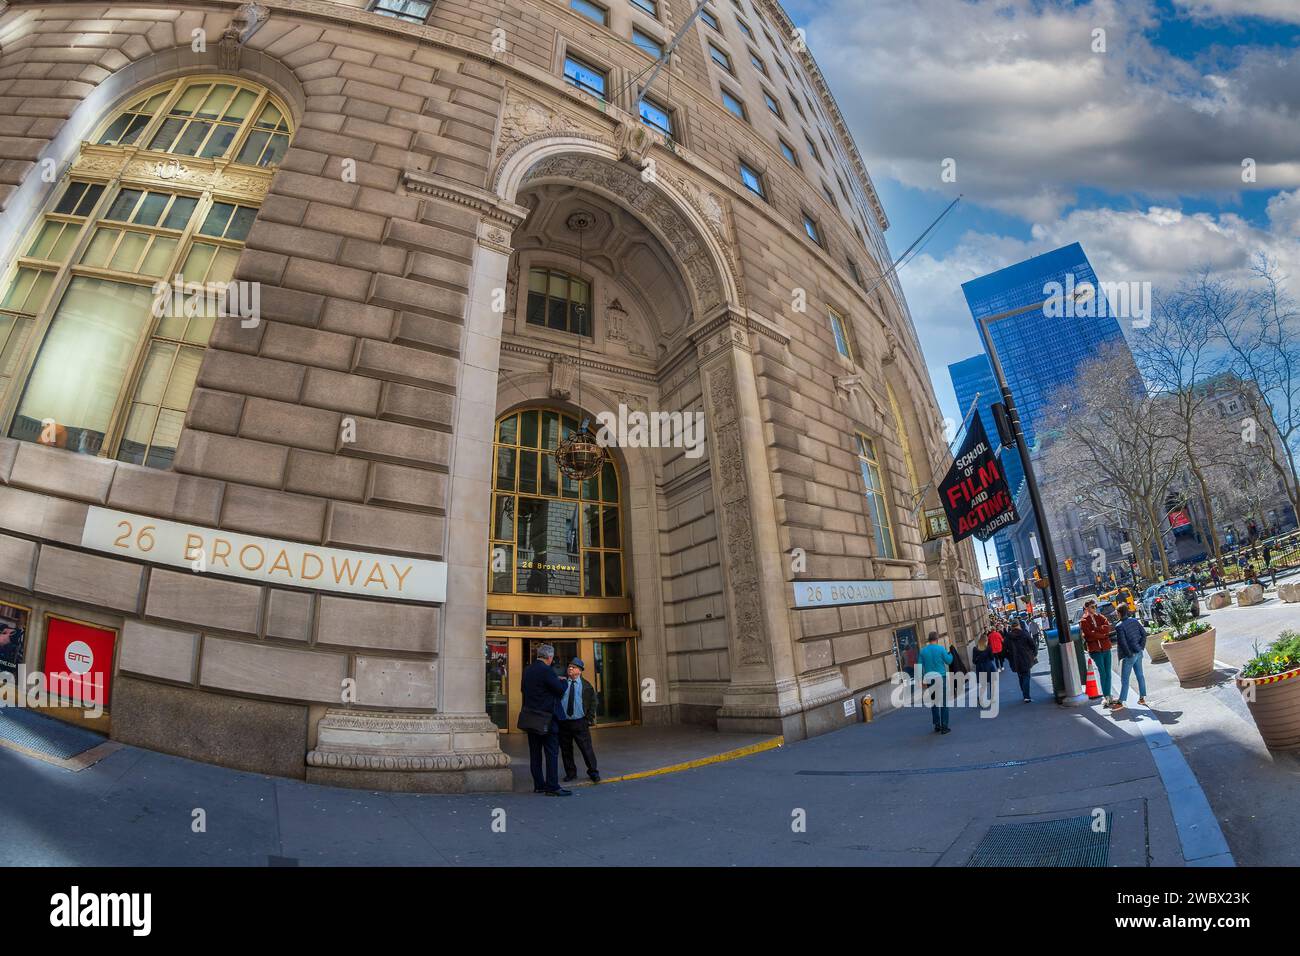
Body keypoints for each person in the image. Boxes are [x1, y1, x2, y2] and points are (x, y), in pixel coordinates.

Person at [519, 644, 572, 796]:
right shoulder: (546, 670)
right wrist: (562, 680)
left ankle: (539, 785)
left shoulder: (528, 670)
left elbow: (524, 689)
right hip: (547, 718)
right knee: (551, 752)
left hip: (531, 718)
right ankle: (552, 787)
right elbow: (560, 689)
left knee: (535, 754)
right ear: (549, 657)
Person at [558, 657, 600, 784]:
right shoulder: (562, 683)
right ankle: (571, 773)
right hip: (564, 722)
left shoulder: (586, 686)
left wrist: (588, 719)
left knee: (586, 748)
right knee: (566, 750)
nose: (570, 668)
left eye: (574, 667)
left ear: (580, 671)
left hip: (580, 722)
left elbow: (593, 703)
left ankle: (593, 772)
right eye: (569, 666)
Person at [1080, 598, 1115, 707]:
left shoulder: (1101, 617)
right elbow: (1089, 635)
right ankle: (1106, 696)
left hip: (1105, 648)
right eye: (1092, 607)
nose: (1095, 608)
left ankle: (1108, 695)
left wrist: (1097, 630)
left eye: (1095, 606)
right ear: (1087, 608)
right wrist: (1102, 635)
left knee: (1108, 673)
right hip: (1095, 650)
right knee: (1102, 672)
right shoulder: (1083, 621)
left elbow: (1107, 628)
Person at [1112, 605, 1148, 711]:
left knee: (1125, 679)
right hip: (1138, 652)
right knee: (1140, 675)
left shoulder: (1119, 626)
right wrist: (1141, 647)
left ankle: (1120, 702)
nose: (1115, 614)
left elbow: (1123, 643)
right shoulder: (1134, 621)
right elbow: (1144, 634)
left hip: (1129, 656)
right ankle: (1142, 698)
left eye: (1116, 612)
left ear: (1119, 613)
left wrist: (1128, 654)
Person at [917, 631, 953, 734]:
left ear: (929, 639)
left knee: (934, 702)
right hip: (941, 677)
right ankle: (944, 726)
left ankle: (937, 725)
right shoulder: (941, 649)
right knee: (944, 702)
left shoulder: (923, 651)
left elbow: (918, 666)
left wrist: (920, 680)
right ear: (937, 639)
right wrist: (951, 654)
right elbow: (949, 661)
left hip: (929, 679)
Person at [1005, 618, 1037, 702]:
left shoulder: (1008, 637)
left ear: (1011, 626)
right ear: (1018, 625)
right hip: (1025, 658)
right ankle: (1026, 696)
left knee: (1021, 676)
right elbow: (1032, 645)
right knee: (1026, 676)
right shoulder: (1024, 633)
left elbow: (1004, 650)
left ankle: (1024, 692)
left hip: (1015, 660)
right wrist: (1034, 654)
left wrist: (1009, 657)